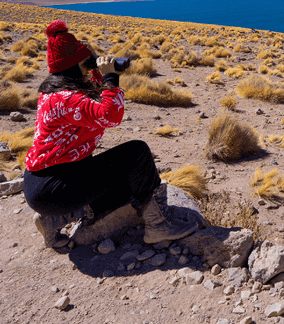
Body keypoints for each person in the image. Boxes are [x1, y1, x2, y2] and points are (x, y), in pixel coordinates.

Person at [23, 19, 198, 248]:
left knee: (125, 180)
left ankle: (55, 219)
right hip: (56, 187)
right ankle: (158, 226)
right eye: (85, 63)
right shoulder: (67, 99)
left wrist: (99, 67)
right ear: (73, 65)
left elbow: (94, 94)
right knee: (137, 153)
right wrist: (110, 79)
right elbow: (110, 114)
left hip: (45, 183)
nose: (88, 67)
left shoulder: (55, 92)